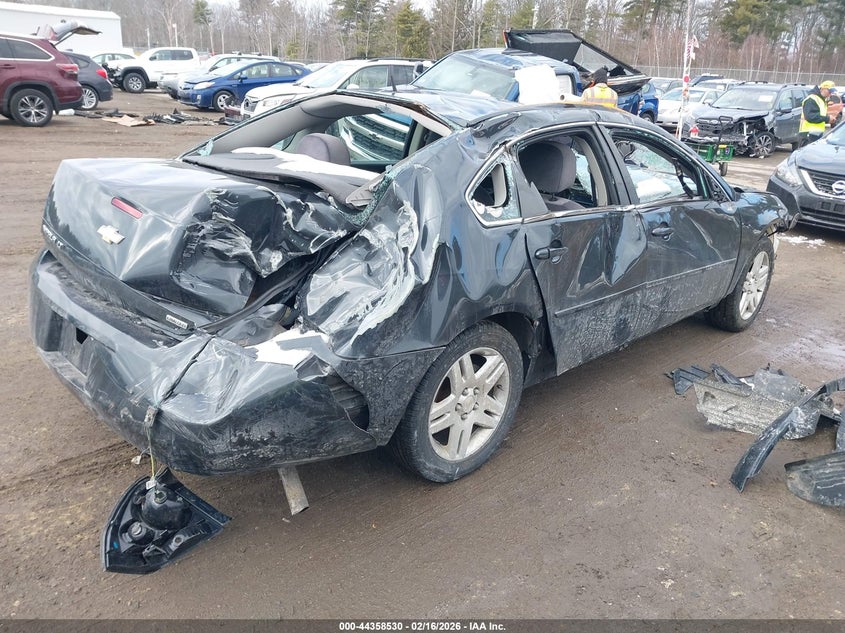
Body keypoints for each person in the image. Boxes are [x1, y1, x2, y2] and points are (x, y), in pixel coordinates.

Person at [799, 80, 837, 146]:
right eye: (829, 91)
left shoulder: (821, 100)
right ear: (822, 89)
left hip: (815, 133)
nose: (830, 94)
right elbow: (810, 116)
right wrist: (827, 118)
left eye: (831, 92)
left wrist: (828, 118)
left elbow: (818, 115)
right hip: (808, 134)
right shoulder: (812, 99)